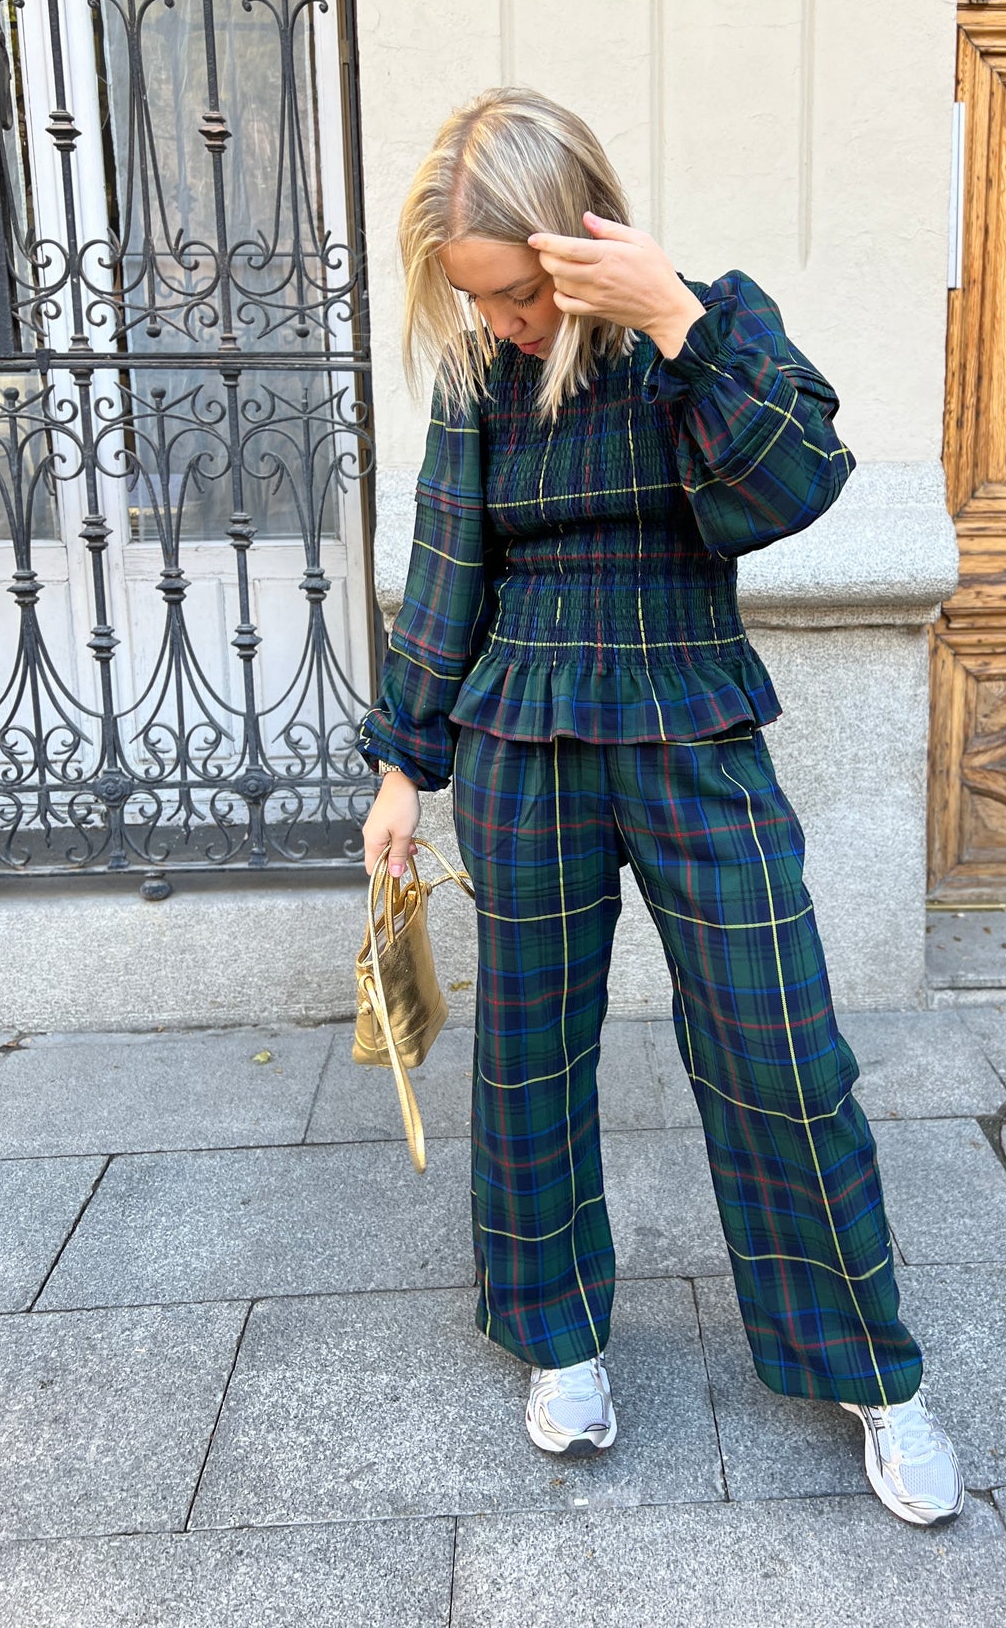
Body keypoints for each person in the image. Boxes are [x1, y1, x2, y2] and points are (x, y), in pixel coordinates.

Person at [358, 86, 964, 1527]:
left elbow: (792, 488)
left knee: (778, 1047)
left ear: (572, 248)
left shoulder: (710, 330)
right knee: (531, 1052)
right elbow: (450, 570)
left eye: (512, 293)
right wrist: (402, 766)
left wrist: (677, 317)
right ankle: (557, 1339)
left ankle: (869, 1370)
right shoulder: (478, 386)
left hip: (691, 723)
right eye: (475, 299)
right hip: (523, 737)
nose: (499, 323)